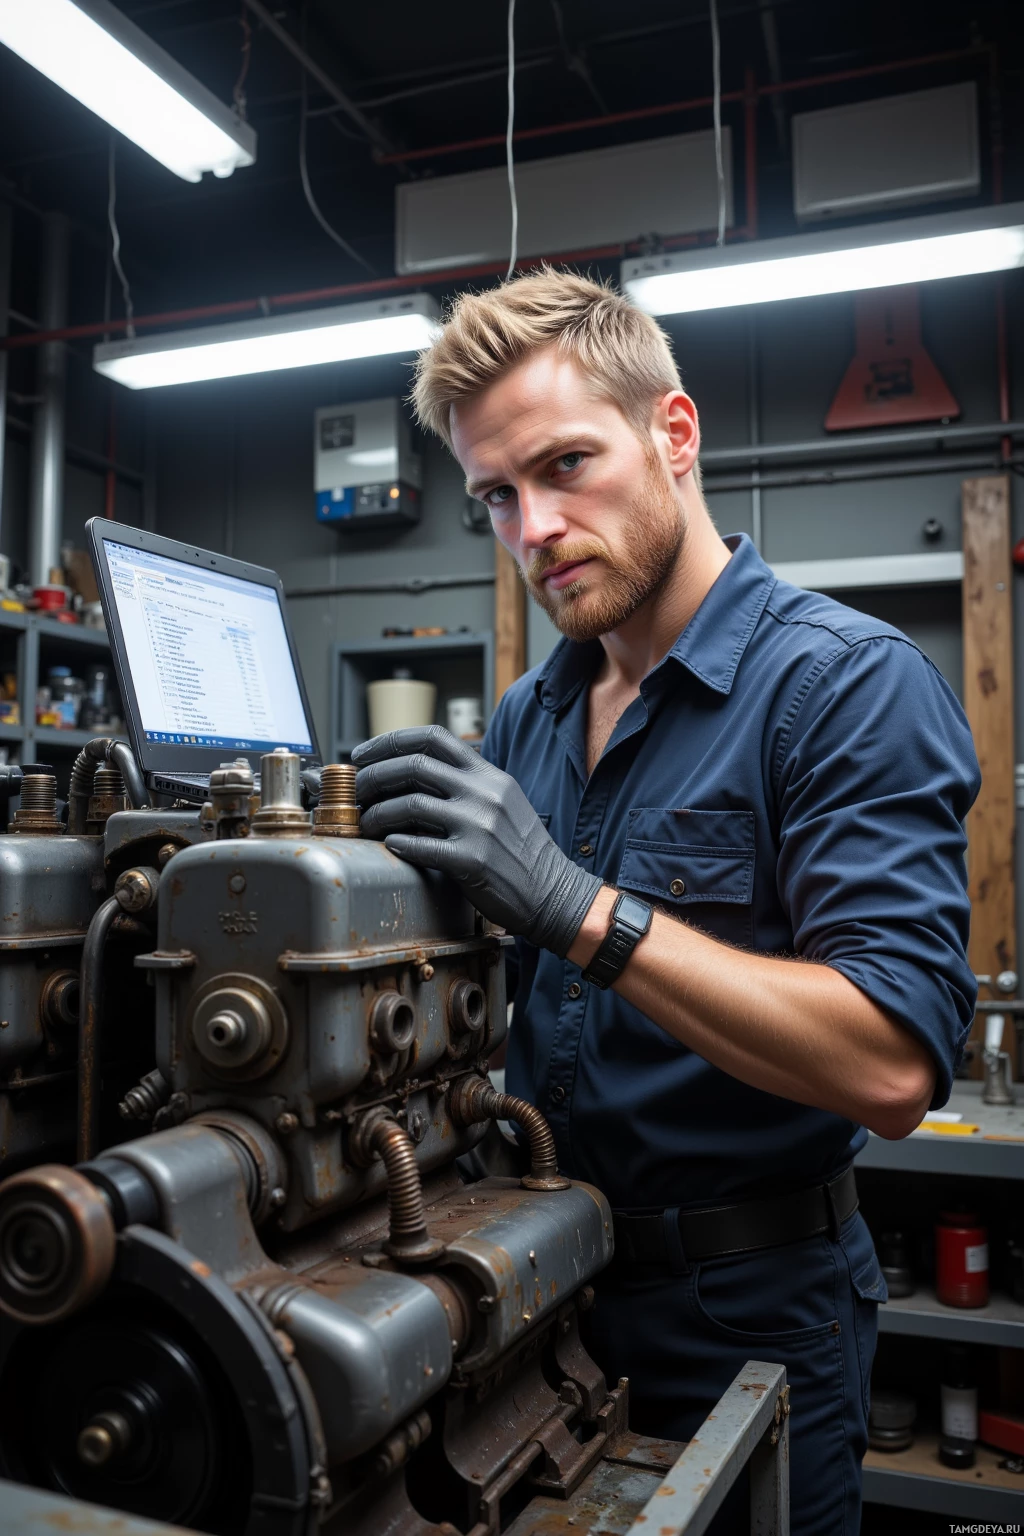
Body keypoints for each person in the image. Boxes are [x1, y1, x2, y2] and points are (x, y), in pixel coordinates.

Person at [351, 268, 979, 1535]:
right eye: (496, 496)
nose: (533, 526)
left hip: (745, 1309)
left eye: (566, 465)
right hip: (534, 1289)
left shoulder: (843, 686)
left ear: (672, 434)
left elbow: (894, 1065)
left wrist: (578, 908)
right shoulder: (531, 717)